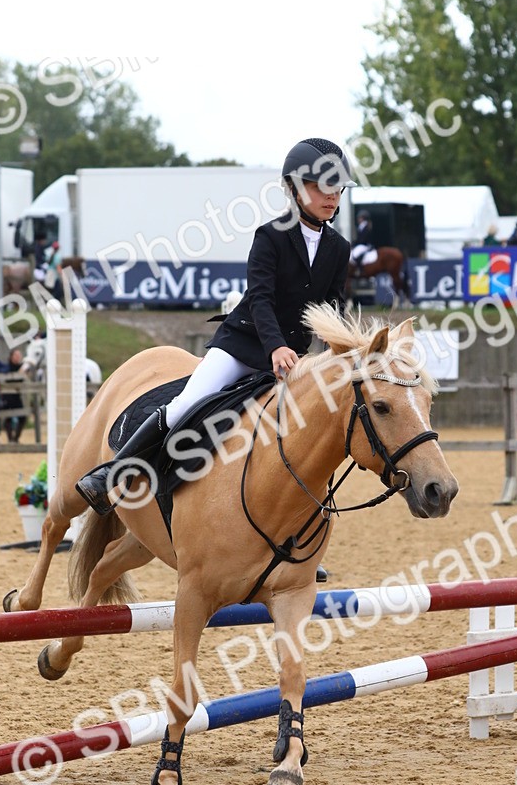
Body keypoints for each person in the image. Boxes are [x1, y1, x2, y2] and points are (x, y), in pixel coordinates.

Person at [76, 137, 356, 524]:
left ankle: (296, 532)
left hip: (292, 360)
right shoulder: (270, 236)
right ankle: (112, 472)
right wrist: (275, 346)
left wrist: (342, 352)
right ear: (293, 188)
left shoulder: (339, 247)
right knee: (188, 402)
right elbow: (260, 298)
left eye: (337, 188)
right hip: (243, 347)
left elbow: (333, 307)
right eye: (319, 186)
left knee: (304, 435)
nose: (331, 196)